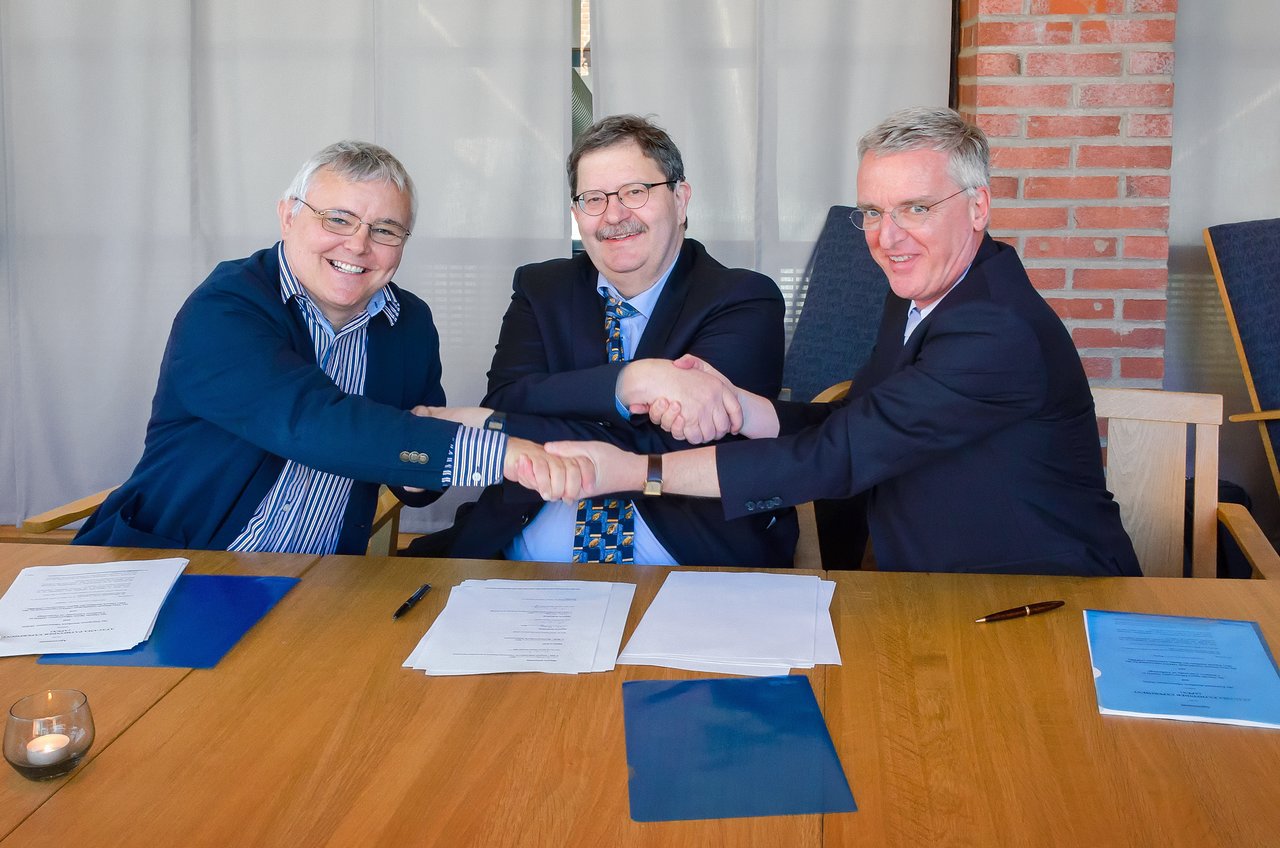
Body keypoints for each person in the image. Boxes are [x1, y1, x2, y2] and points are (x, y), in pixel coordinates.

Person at [545, 107, 1141, 577]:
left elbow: (837, 457)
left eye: (916, 208)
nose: (888, 237)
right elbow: (857, 418)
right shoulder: (924, 289)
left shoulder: (994, 329)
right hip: (941, 593)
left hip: (1046, 601)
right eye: (873, 212)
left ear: (978, 206)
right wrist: (744, 408)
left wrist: (637, 470)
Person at [76, 140, 582, 555]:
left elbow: (418, 475)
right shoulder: (225, 307)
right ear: (288, 217)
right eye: (337, 219)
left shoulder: (409, 323)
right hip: (177, 566)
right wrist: (500, 452)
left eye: (385, 230)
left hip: (321, 583)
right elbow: (308, 421)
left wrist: (425, 458)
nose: (358, 245)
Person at [409, 115, 795, 566]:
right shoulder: (542, 289)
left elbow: (686, 451)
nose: (614, 215)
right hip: (517, 566)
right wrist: (630, 383)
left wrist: (489, 424)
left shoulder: (743, 298)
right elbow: (508, 399)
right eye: (594, 199)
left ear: (680, 199)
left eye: (635, 191)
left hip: (691, 565)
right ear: (577, 214)